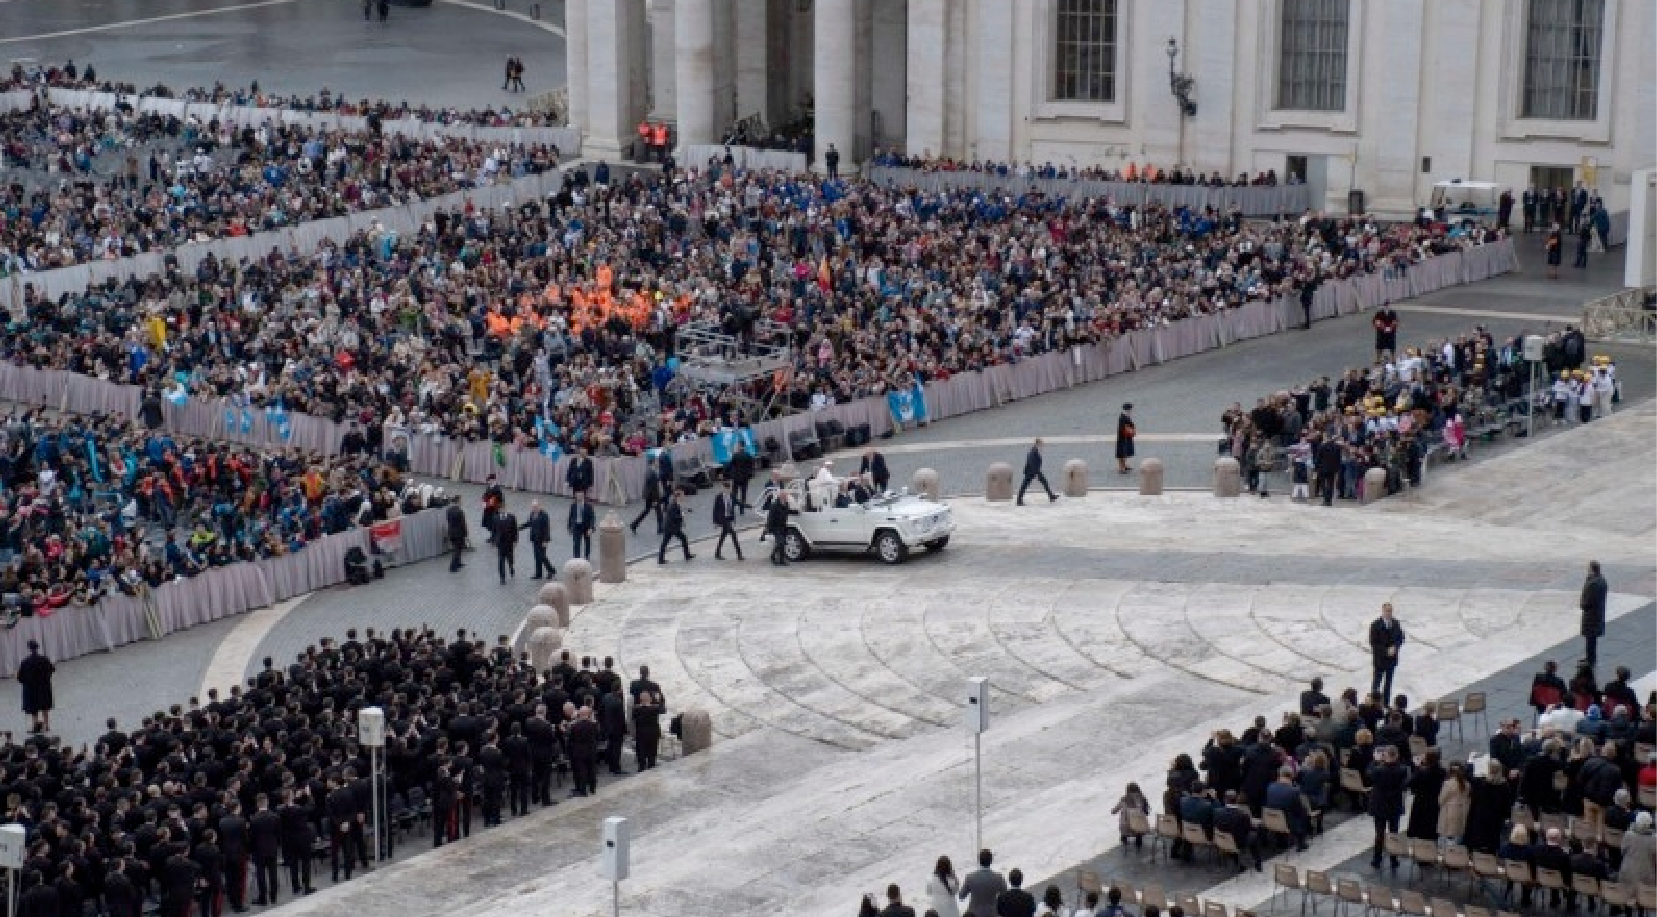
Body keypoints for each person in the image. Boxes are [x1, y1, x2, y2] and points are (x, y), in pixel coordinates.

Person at [1367, 745, 1410, 871]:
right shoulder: (1403, 769)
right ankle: (1393, 859)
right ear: (1396, 755)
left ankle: (1377, 859)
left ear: (1385, 756)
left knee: (1379, 833)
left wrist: (1375, 761)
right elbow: (1405, 784)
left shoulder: (1377, 769)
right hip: (1394, 804)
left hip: (1379, 804)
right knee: (1393, 833)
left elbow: (1368, 774)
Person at [1368, 603, 1405, 702]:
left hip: (1392, 660)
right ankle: (1374, 702)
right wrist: (1385, 651)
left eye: (1390, 611)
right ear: (1383, 611)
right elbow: (1373, 643)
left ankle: (1386, 703)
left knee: (1388, 683)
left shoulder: (1396, 623)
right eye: (1387, 611)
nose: (1389, 613)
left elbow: (1401, 637)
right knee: (1376, 683)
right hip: (1380, 660)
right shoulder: (1375, 624)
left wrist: (1395, 647)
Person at [17, 641, 55, 734]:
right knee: (45, 707)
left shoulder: (25, 662)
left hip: (31, 689)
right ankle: (47, 726)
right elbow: (52, 670)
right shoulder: (45, 659)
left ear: (29, 648)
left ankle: (35, 725)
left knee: (34, 708)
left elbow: (20, 677)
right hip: (44, 687)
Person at [957, 850, 1007, 917]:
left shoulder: (970, 877)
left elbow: (961, 896)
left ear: (979, 861)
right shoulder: (998, 877)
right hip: (992, 913)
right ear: (991, 861)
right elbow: (1004, 896)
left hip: (973, 914)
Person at [1580, 560, 1608, 671]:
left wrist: (1583, 604)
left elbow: (1587, 601)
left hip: (1591, 615)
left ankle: (1590, 659)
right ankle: (1590, 657)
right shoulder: (1602, 580)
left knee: (1590, 638)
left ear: (1592, 569)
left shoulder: (1593, 584)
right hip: (1597, 614)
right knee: (1591, 638)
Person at [1017, 438, 1058, 505]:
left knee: (1044, 482)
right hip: (1031, 471)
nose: (1042, 445)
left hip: (1035, 470)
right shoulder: (1033, 451)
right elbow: (1031, 462)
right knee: (1024, 486)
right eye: (1041, 444)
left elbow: (1036, 461)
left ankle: (1051, 496)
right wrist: (1035, 473)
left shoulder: (1036, 450)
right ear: (1037, 443)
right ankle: (1019, 501)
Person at [657, 488, 693, 564]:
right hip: (671, 527)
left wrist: (687, 510)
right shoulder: (673, 505)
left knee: (666, 542)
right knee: (681, 539)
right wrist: (682, 515)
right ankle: (687, 555)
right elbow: (674, 516)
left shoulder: (675, 503)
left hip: (671, 527)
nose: (684, 497)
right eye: (682, 495)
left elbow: (679, 510)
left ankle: (661, 559)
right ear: (678, 497)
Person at [766, 484, 797, 565]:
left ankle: (773, 556)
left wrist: (796, 512)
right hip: (775, 527)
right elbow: (770, 517)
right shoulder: (774, 505)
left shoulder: (786, 504)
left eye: (786, 496)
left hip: (783, 526)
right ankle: (782, 560)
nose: (786, 497)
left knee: (780, 543)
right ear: (780, 496)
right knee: (781, 542)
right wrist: (769, 528)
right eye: (784, 496)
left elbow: (788, 511)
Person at [632, 690, 664, 770]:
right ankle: (651, 768)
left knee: (641, 752)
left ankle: (641, 768)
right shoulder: (654, 708)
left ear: (640, 699)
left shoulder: (636, 709)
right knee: (652, 753)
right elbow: (663, 709)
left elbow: (633, 718)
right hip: (653, 734)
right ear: (649, 699)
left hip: (641, 734)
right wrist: (659, 700)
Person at [713, 480, 743, 560]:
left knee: (723, 536)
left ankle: (717, 553)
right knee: (733, 535)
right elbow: (715, 510)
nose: (726, 490)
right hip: (723, 519)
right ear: (723, 489)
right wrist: (715, 522)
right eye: (725, 489)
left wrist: (750, 506)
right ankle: (739, 554)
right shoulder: (718, 497)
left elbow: (739, 503)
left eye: (728, 489)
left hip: (729, 519)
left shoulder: (732, 496)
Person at [631, 464, 664, 534]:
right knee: (658, 511)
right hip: (653, 496)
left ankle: (634, 524)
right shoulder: (653, 473)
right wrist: (655, 499)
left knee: (647, 511)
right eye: (656, 461)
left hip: (648, 495)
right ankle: (660, 528)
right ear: (654, 462)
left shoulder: (648, 471)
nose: (658, 463)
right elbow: (654, 487)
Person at [527, 500, 554, 578]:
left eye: (535, 506)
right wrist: (518, 527)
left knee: (542, 556)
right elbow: (529, 523)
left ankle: (551, 570)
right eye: (533, 507)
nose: (534, 508)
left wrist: (545, 540)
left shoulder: (544, 515)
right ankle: (538, 573)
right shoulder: (532, 514)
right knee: (537, 557)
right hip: (534, 539)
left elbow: (547, 528)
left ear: (539, 506)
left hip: (542, 540)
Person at [494, 506, 520, 584]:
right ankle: (502, 577)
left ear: (505, 509)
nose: (501, 510)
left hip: (509, 542)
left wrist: (515, 540)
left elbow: (515, 530)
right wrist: (495, 540)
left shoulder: (511, 517)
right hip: (500, 543)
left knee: (510, 558)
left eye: (503, 509)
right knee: (501, 560)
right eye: (500, 509)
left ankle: (511, 567)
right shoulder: (495, 518)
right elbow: (494, 530)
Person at [728, 444, 756, 513]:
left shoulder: (735, 455)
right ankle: (742, 509)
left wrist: (732, 474)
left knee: (734, 493)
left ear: (739, 447)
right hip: (745, 477)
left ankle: (732, 509)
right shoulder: (748, 455)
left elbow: (731, 465)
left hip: (736, 477)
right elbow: (751, 466)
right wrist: (749, 475)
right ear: (744, 447)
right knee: (743, 493)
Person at [568, 492, 596, 560]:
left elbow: (592, 517)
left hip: (586, 527)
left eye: (580, 496)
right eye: (577, 496)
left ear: (583, 496)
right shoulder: (573, 505)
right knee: (576, 543)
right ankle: (576, 558)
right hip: (576, 526)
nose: (579, 497)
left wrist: (591, 528)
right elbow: (571, 517)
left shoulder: (588, 506)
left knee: (587, 542)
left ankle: (587, 556)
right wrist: (569, 528)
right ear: (575, 496)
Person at [446, 494, 468, 572]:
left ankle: (458, 563)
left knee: (457, 548)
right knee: (457, 549)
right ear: (458, 501)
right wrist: (465, 533)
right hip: (459, 533)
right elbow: (463, 523)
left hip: (451, 532)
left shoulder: (448, 510)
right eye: (460, 500)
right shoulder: (460, 511)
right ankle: (453, 567)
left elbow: (448, 520)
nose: (461, 502)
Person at [1115, 404, 1136, 474]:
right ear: (1127, 409)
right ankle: (1121, 467)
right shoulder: (1123, 417)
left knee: (1125, 451)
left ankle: (1124, 465)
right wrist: (1130, 430)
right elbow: (1122, 428)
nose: (1131, 410)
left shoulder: (1126, 416)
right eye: (1130, 409)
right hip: (1123, 437)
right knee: (1121, 452)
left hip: (1126, 437)